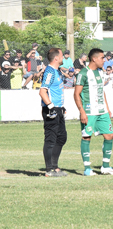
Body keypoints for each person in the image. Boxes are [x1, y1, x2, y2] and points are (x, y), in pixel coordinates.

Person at [73, 49, 113, 176]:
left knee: (109, 135)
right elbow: (76, 94)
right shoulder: (83, 73)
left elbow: (101, 90)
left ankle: (106, 166)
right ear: (94, 59)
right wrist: (82, 111)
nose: (104, 60)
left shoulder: (100, 73)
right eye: (102, 58)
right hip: (89, 112)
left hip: (102, 111)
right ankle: (87, 168)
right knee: (87, 136)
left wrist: (107, 108)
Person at [39, 48, 68, 177]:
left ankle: (55, 167)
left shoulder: (57, 71)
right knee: (51, 139)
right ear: (56, 58)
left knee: (61, 137)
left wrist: (62, 107)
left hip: (58, 108)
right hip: (51, 109)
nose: (63, 58)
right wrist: (51, 107)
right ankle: (49, 170)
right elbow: (42, 91)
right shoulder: (50, 71)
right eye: (62, 56)